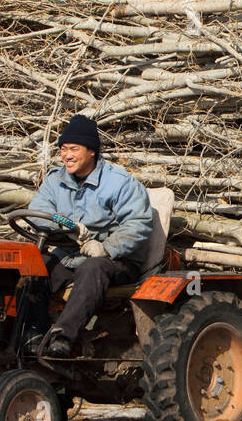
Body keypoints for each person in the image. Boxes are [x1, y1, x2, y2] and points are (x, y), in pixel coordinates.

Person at [29, 115, 153, 357]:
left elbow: (139, 224)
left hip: (117, 261)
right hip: (72, 256)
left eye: (74, 149)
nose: (67, 155)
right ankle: (31, 334)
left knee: (93, 267)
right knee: (36, 265)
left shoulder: (119, 184)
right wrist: (69, 229)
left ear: (92, 152)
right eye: (63, 149)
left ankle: (63, 337)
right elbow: (38, 214)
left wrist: (105, 247)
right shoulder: (55, 180)